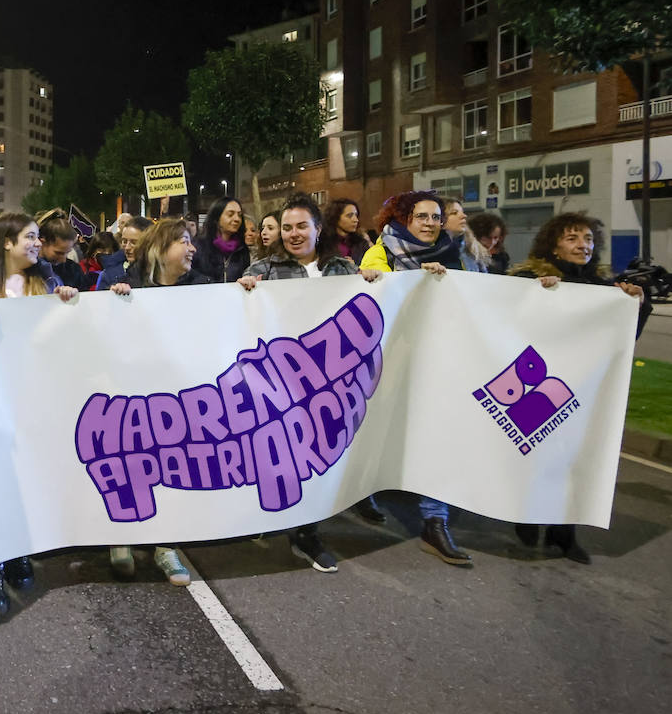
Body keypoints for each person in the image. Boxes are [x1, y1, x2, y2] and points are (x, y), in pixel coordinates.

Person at [235, 194, 384, 573]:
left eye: (302, 226)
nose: (293, 234)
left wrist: (372, 284)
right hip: (279, 382)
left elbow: (367, 307)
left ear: (318, 229)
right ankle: (280, 520)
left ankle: (307, 531)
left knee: (317, 451)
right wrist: (242, 292)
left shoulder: (343, 268)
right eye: (287, 227)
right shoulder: (262, 269)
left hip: (328, 381)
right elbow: (239, 320)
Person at [0, 212, 79, 612]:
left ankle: (20, 550)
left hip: (31, 398)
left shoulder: (47, 280)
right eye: (30, 237)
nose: (37, 244)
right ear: (6, 242)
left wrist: (65, 303)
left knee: (25, 480)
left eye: (38, 238)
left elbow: (63, 334)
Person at [509, 213, 650, 564]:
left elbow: (623, 338)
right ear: (553, 243)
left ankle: (564, 532)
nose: (583, 245)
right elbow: (509, 323)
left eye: (588, 239)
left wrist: (637, 305)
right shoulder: (529, 277)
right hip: (539, 385)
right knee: (533, 456)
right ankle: (523, 514)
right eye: (573, 238)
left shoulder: (605, 287)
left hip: (583, 390)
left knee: (574, 459)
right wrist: (540, 294)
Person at [360, 191, 474, 563]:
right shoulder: (382, 252)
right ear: (405, 219)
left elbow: (486, 297)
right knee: (376, 434)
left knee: (437, 438)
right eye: (421, 216)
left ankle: (434, 521)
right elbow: (371, 295)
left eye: (435, 216)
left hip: (440, 362)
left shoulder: (457, 254)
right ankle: (362, 492)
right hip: (392, 363)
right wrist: (390, 280)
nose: (429, 223)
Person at [107, 219, 212, 585]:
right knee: (130, 460)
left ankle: (166, 545)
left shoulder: (202, 286)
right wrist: (114, 302)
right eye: (183, 241)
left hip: (180, 398)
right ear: (160, 248)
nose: (191, 248)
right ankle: (120, 536)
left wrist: (245, 292)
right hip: (132, 394)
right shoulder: (126, 286)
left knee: (172, 465)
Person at [194, 196, 250, 283]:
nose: (237, 219)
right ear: (216, 218)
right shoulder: (199, 246)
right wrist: (209, 282)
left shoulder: (242, 249)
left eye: (239, 215)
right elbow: (189, 274)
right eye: (230, 214)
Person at [95, 216, 154, 290]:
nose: (127, 247)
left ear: (149, 243)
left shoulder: (161, 274)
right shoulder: (108, 275)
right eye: (124, 241)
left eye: (134, 242)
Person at [37, 209, 87, 290]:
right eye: (59, 253)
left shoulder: (74, 270)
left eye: (67, 253)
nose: (63, 259)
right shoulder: (29, 269)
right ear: (42, 242)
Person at [439, 197, 490, 273]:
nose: (464, 216)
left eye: (462, 212)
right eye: (454, 213)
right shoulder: (429, 251)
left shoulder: (471, 248)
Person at [321, 198, 372, 265]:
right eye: (349, 216)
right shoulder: (322, 243)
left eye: (356, 215)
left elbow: (370, 267)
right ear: (335, 217)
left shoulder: (361, 243)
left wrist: (355, 267)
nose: (356, 220)